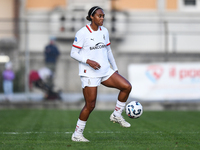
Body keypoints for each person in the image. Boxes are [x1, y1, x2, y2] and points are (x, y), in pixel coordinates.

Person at [70, 6, 132, 142]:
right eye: (99, 16)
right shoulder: (82, 33)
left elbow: (108, 51)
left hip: (105, 71)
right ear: (92, 17)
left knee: (126, 86)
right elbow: (73, 53)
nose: (102, 18)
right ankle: (77, 134)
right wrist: (88, 61)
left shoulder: (104, 31)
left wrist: (115, 69)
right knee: (90, 105)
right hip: (89, 73)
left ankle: (116, 114)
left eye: (103, 16)